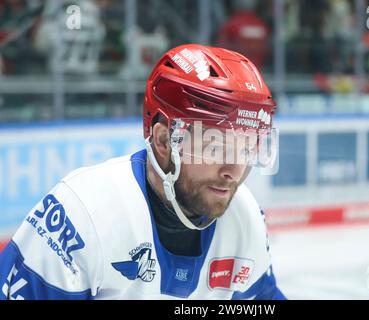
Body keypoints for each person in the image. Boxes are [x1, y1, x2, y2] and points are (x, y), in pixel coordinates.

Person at [0, 44, 286, 300]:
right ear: (163, 141)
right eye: (215, 146)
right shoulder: (81, 214)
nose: (234, 171)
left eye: (247, 149)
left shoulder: (245, 216)